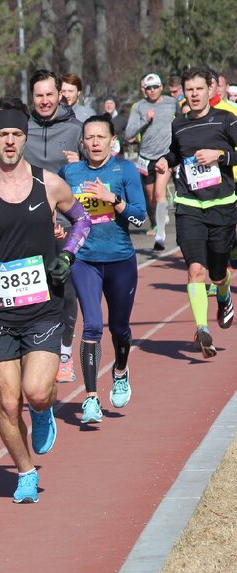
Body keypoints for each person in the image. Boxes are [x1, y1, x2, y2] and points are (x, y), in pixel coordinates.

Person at [0, 97, 92, 503]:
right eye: (2, 135)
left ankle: (45, 410)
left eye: (16, 134)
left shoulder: (49, 184)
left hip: (44, 308)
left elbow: (81, 220)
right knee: (8, 402)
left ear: (24, 138)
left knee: (36, 392)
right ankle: (26, 471)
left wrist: (67, 255)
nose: (9, 142)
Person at [61, 115, 147, 422]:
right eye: (89, 138)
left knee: (120, 328)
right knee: (93, 325)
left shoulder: (124, 171)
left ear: (112, 141)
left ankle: (121, 372)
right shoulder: (70, 172)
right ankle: (91, 399)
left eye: (101, 137)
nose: (95, 143)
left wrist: (114, 200)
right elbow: (56, 209)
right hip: (85, 260)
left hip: (121, 261)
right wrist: (58, 229)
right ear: (81, 143)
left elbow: (141, 218)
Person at [153, 67, 237, 358]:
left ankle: (224, 293)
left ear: (211, 89)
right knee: (195, 270)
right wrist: (165, 160)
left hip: (222, 205)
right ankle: (202, 328)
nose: (194, 95)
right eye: (189, 90)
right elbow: (177, 152)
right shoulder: (179, 124)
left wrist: (221, 155)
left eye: (199, 89)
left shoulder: (226, 120)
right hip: (189, 206)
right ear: (184, 93)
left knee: (216, 273)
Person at [27, 69, 85, 384]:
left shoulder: (76, 129)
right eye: (39, 95)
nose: (45, 101)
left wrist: (80, 161)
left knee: (65, 290)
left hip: (66, 222)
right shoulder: (21, 130)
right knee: (32, 290)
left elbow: (95, 173)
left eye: (50, 94)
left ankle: (64, 355)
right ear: (32, 97)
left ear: (59, 95)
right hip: (30, 223)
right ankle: (34, 352)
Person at [124, 74, 176, 251]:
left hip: (165, 156)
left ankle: (160, 234)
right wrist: (145, 120)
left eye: (155, 87)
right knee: (152, 197)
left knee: (160, 192)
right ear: (144, 90)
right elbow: (128, 133)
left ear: (162, 87)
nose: (152, 90)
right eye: (149, 88)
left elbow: (184, 118)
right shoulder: (139, 107)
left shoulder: (171, 103)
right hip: (145, 158)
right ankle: (160, 215)